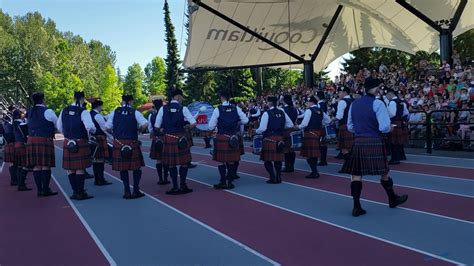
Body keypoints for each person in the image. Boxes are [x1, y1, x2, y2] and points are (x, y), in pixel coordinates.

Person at [340, 78, 408, 217]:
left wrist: (361, 131)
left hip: (359, 141)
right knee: (384, 172)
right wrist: (390, 128)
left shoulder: (354, 103)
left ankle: (356, 206)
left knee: (356, 175)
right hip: (375, 141)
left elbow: (350, 127)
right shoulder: (378, 103)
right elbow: (383, 127)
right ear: (377, 89)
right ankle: (392, 198)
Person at [154, 89, 196, 195]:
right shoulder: (183, 108)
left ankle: (175, 187)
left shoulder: (163, 109)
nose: (182, 99)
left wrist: (163, 130)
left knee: (171, 164)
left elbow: (157, 126)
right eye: (181, 97)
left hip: (168, 138)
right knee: (184, 163)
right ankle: (183, 184)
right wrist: (187, 126)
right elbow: (193, 123)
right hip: (181, 138)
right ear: (177, 97)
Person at [106, 95, 148, 199]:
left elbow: (107, 127)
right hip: (132, 142)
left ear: (122, 101)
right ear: (131, 101)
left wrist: (115, 134)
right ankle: (136, 190)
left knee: (123, 169)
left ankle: (126, 191)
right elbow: (145, 124)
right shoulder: (135, 112)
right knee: (136, 168)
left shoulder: (115, 112)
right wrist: (139, 131)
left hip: (119, 143)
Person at [57, 91, 96, 200]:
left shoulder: (64, 110)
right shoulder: (83, 111)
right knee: (80, 168)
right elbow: (90, 127)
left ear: (74, 98)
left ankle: (75, 192)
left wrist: (66, 135)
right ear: (82, 99)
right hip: (80, 141)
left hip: (68, 142)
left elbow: (59, 127)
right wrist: (92, 131)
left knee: (70, 169)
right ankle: (80, 192)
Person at [208, 91, 248, 189]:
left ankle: (223, 181)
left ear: (221, 97)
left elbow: (210, 126)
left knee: (221, 161)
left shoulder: (218, 109)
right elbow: (246, 120)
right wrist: (238, 123)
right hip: (233, 138)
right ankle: (230, 182)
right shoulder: (236, 108)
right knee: (231, 161)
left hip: (222, 137)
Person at [26, 92, 58, 197]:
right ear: (43, 99)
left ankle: (39, 190)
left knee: (36, 166)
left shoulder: (29, 111)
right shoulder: (48, 111)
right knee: (45, 165)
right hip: (44, 140)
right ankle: (45, 189)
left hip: (31, 140)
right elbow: (57, 124)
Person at [256, 96, 293, 184]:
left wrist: (256, 131)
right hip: (280, 138)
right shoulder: (282, 112)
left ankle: (272, 177)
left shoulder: (266, 113)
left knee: (267, 160)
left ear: (269, 103)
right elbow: (290, 124)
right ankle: (279, 177)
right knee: (278, 160)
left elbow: (262, 129)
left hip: (269, 139)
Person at [296, 96, 330, 178]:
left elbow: (304, 124)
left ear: (311, 102)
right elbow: (328, 120)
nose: (306, 104)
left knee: (309, 155)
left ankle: (314, 172)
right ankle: (314, 171)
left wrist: (298, 126)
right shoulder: (320, 110)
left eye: (307, 102)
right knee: (313, 154)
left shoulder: (309, 110)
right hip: (318, 133)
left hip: (310, 134)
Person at [90, 100, 113, 186]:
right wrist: (112, 138)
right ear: (98, 106)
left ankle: (97, 179)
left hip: (92, 138)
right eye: (101, 106)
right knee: (100, 160)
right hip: (99, 138)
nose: (102, 108)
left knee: (95, 160)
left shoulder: (89, 114)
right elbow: (105, 128)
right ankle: (100, 179)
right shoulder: (98, 116)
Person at [148, 98, 170, 185]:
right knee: (166, 159)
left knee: (158, 160)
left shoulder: (151, 115)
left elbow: (150, 129)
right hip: (165, 138)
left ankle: (160, 179)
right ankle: (165, 178)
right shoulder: (166, 114)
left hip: (156, 138)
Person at [386, 90, 409, 164]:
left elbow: (392, 114)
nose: (386, 97)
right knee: (398, 141)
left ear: (390, 94)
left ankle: (395, 159)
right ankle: (401, 156)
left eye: (387, 95)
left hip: (394, 122)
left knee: (394, 141)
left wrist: (386, 117)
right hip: (400, 122)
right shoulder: (402, 102)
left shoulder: (392, 102)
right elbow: (406, 113)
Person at [12, 108, 32, 191]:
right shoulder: (20, 123)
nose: (24, 114)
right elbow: (27, 130)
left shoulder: (15, 122)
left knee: (20, 165)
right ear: (19, 114)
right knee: (25, 165)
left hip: (17, 144)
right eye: (22, 113)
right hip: (22, 145)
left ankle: (20, 183)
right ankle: (21, 184)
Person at [334, 86, 354, 166]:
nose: (338, 94)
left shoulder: (342, 102)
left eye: (339, 92)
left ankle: (347, 165)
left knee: (344, 148)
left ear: (344, 92)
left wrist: (331, 119)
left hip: (344, 126)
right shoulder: (354, 100)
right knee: (351, 147)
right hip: (353, 126)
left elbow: (339, 116)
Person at [282, 95, 298, 173]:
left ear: (284, 101)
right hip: (293, 130)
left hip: (285, 130)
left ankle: (287, 166)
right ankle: (291, 166)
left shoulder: (283, 110)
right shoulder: (295, 109)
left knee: (286, 150)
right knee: (292, 150)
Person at [2, 105, 17, 186]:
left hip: (9, 141)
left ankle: (15, 179)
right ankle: (14, 179)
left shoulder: (8, 117)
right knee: (13, 161)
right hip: (11, 140)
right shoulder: (9, 118)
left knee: (13, 161)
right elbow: (8, 130)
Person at [316, 91, 329, 166]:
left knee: (321, 143)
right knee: (323, 143)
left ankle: (323, 160)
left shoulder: (318, 105)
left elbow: (320, 115)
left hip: (321, 125)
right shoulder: (324, 103)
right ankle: (323, 159)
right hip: (324, 124)